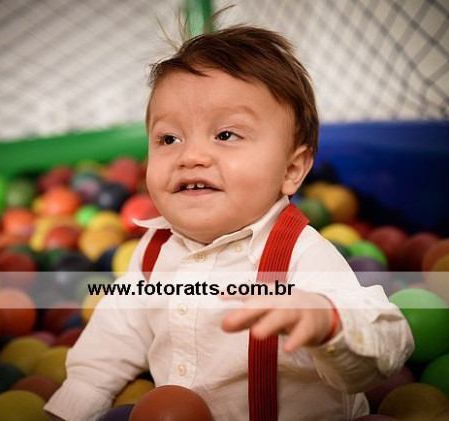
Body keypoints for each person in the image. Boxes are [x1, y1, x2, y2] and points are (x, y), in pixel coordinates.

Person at [45, 25, 414, 421]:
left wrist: (327, 319)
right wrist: (74, 405)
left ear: (291, 170)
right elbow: (113, 337)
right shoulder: (151, 254)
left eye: (225, 134)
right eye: (169, 139)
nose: (191, 156)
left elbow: (390, 339)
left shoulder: (299, 255)